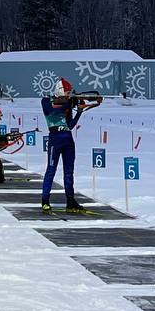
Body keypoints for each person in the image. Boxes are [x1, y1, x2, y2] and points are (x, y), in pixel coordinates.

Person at [40, 77, 102, 213]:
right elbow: (51, 111)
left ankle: (70, 200)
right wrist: (69, 104)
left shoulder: (68, 104)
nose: (69, 95)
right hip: (54, 139)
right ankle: (45, 200)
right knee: (51, 170)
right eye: (67, 92)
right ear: (61, 91)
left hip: (67, 140)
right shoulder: (46, 100)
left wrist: (79, 111)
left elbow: (70, 125)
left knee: (69, 172)